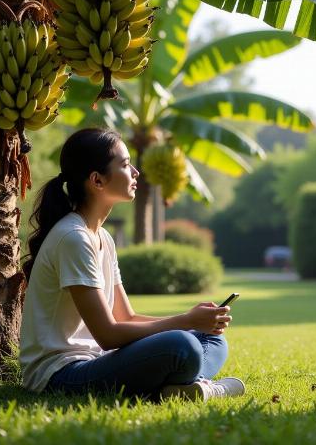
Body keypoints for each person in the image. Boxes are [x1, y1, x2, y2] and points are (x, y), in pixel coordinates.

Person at [19, 127, 245, 401]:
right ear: (97, 181)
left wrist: (193, 322)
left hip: (98, 361)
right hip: (60, 375)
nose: (136, 172)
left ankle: (174, 389)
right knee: (183, 346)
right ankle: (195, 387)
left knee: (209, 339)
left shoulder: (102, 237)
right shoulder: (73, 238)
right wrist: (184, 322)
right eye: (125, 165)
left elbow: (125, 318)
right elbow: (108, 335)